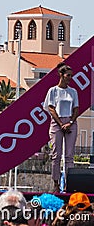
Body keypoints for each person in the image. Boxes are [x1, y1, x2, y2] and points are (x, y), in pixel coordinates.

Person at [43, 62, 79, 193]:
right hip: (56, 123)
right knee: (56, 155)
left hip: (70, 122)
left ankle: (69, 183)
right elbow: (51, 108)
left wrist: (70, 122)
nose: (70, 78)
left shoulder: (73, 92)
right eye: (68, 75)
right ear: (61, 75)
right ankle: (56, 183)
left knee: (69, 156)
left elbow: (76, 108)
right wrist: (60, 123)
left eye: (71, 76)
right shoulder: (53, 91)